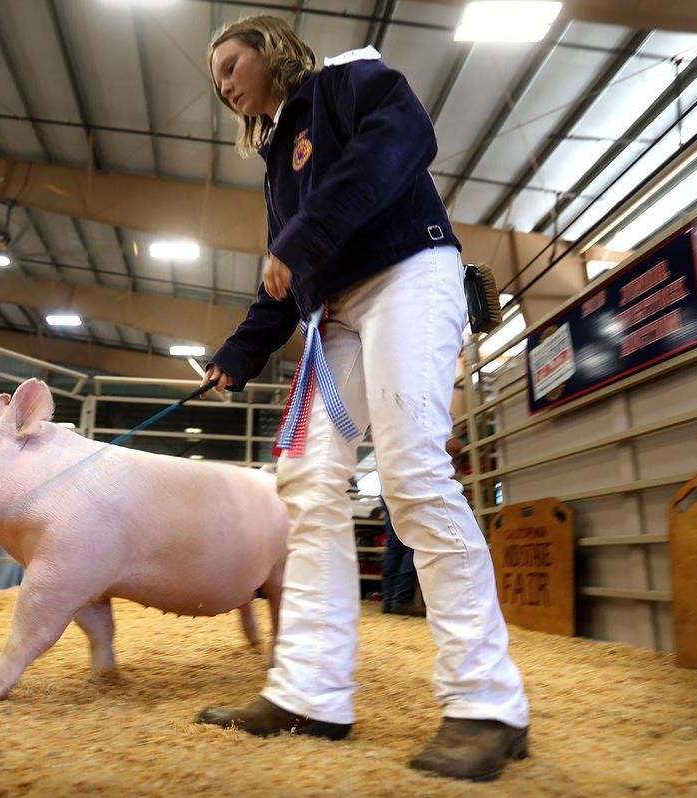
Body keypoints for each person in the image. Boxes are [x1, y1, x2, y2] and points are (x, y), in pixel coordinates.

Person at [195, 17, 529, 781]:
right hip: (333, 316)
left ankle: (487, 702)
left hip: (410, 273)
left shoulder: (349, 81)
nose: (222, 81)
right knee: (306, 484)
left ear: (270, 49)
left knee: (412, 471)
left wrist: (300, 240)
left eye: (230, 61)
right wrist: (235, 356)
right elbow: (287, 277)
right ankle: (311, 691)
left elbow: (404, 140)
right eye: (213, 77)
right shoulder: (279, 162)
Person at [377, 500, 423, 616]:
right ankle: (401, 599)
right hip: (409, 488)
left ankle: (388, 600)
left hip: (388, 488)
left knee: (394, 544)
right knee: (415, 541)